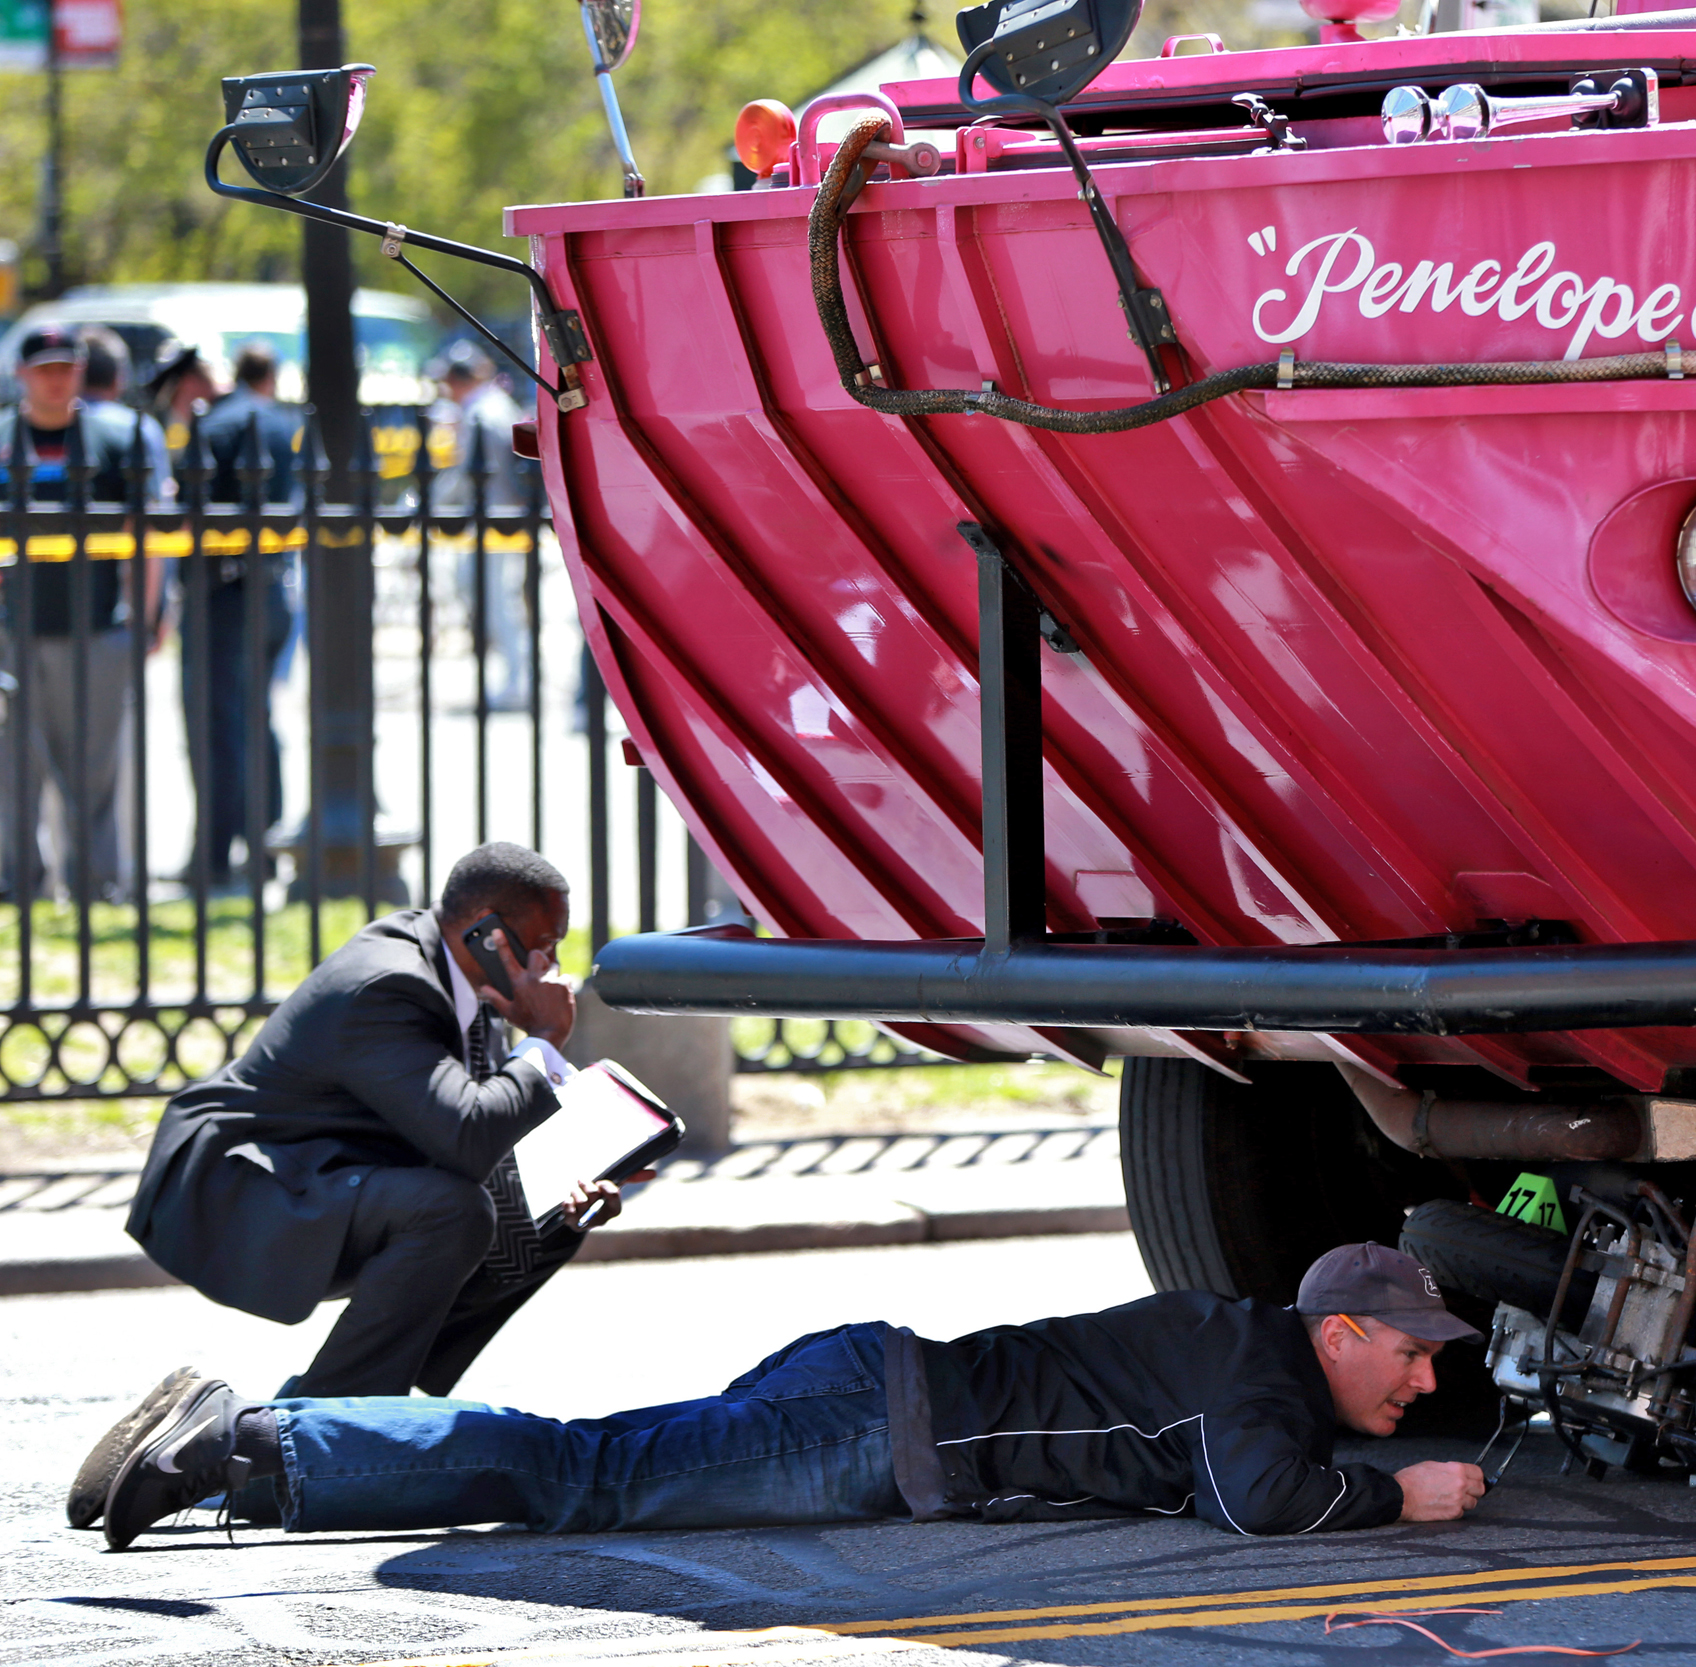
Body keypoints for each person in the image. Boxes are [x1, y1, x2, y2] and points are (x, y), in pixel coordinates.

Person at [86, 1242, 1492, 1550]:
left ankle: (250, 1440)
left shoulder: (1232, 1337)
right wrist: (1399, 1490)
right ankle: (252, 1443)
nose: (1424, 1378)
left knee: (607, 1459)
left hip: (865, 1379)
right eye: (1411, 1354)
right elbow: (1261, 1495)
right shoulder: (1257, 1369)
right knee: (580, 1477)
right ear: (1342, 1328)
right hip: (867, 1433)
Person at [100, 844, 630, 1503]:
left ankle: (273, 1436)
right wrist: (544, 1041)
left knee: (542, 1216)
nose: (554, 968)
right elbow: (466, 1135)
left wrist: (568, 1179)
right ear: (491, 935)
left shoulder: (465, 980)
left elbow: (472, 1125)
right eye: (545, 946)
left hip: (325, 1173)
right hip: (241, 1185)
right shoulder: (390, 984)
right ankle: (275, 1461)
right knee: (450, 1209)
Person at [0, 325, 169, 903]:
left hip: (96, 628)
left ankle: (98, 885)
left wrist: (143, 621)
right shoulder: (2, 437)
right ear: (21, 374)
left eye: (66, 365)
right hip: (11, 630)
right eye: (44, 367)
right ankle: (19, 885)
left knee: (95, 770)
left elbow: (148, 537)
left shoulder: (115, 440)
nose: (57, 377)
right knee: (11, 767)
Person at [182, 343, 299, 887]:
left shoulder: (218, 425)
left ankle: (215, 854)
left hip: (223, 594)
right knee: (257, 720)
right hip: (273, 589)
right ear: (270, 377)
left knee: (220, 726)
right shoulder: (281, 423)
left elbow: (188, 508)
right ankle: (266, 841)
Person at [425, 340, 533, 712]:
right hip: (502, 517)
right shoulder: (494, 405)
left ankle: (517, 682)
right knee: (497, 600)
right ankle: (517, 678)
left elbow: (465, 474)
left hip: (495, 520)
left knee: (495, 602)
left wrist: (431, 504)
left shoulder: (480, 413)